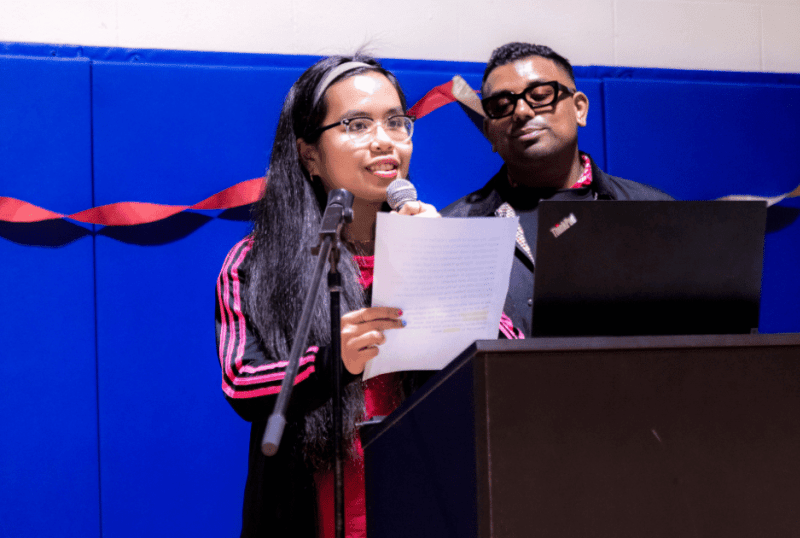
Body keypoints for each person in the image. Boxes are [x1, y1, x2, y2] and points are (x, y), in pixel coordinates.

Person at [215, 54, 437, 538]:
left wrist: (440, 262)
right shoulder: (255, 262)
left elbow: (506, 357)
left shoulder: (437, 241)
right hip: (314, 516)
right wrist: (329, 360)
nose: (384, 140)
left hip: (432, 506)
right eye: (357, 124)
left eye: (397, 122)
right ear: (309, 153)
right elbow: (241, 381)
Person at [442, 42, 674, 337]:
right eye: (501, 106)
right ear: (490, 133)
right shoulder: (451, 232)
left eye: (540, 96)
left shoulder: (654, 213)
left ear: (579, 108)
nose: (522, 111)